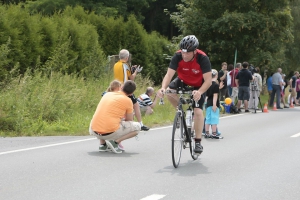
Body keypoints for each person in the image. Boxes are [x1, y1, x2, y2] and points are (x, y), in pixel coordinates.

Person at [157, 35, 212, 154]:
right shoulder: (177, 56)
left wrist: (200, 92)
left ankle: (198, 142)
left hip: (199, 85)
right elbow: (169, 75)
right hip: (182, 80)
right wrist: (162, 88)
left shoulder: (202, 58)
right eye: (183, 53)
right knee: (169, 92)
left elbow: (208, 81)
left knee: (197, 111)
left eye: (188, 53)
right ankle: (180, 111)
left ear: (195, 51)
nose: (185, 55)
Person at [89, 80, 141, 154]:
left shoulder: (107, 94)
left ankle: (102, 145)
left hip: (93, 130)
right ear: (131, 93)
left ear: (121, 87)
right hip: (109, 132)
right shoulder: (128, 100)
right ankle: (115, 143)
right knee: (137, 127)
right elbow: (129, 120)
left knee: (100, 117)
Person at [114, 49, 150, 131]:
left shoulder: (116, 65)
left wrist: (131, 70)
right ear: (127, 57)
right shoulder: (126, 65)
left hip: (117, 88)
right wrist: (136, 71)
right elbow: (131, 78)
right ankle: (140, 124)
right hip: (125, 88)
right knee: (136, 105)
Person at [204, 69, 220, 138]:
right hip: (213, 103)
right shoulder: (216, 85)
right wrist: (214, 105)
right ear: (216, 75)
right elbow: (215, 95)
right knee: (214, 118)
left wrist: (205, 103)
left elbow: (206, 96)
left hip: (208, 103)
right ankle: (214, 133)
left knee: (208, 118)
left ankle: (207, 133)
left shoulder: (208, 84)